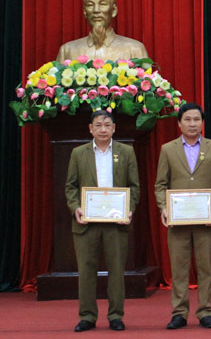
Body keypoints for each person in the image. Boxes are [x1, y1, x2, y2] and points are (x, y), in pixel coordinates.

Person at [154, 102, 211, 329]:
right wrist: (164, 207)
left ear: (202, 123)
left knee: (206, 267)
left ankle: (205, 311)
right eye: (187, 119)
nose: (192, 123)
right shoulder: (168, 149)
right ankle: (179, 312)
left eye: (196, 119)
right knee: (179, 268)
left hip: (206, 220)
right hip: (178, 220)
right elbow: (160, 184)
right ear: (179, 123)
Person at [64, 110, 140, 332]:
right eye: (98, 125)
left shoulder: (126, 152)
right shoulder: (78, 153)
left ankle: (116, 316)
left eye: (107, 125)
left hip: (116, 222)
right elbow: (70, 186)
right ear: (91, 129)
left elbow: (134, 186)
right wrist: (75, 208)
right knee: (86, 271)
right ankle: (87, 316)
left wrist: (129, 209)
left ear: (114, 128)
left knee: (116, 271)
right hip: (87, 223)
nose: (103, 129)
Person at [56, 0, 149, 62]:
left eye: (103, 4)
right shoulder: (67, 50)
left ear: (113, 10)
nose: (96, 10)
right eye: (90, 5)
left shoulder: (135, 49)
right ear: (84, 11)